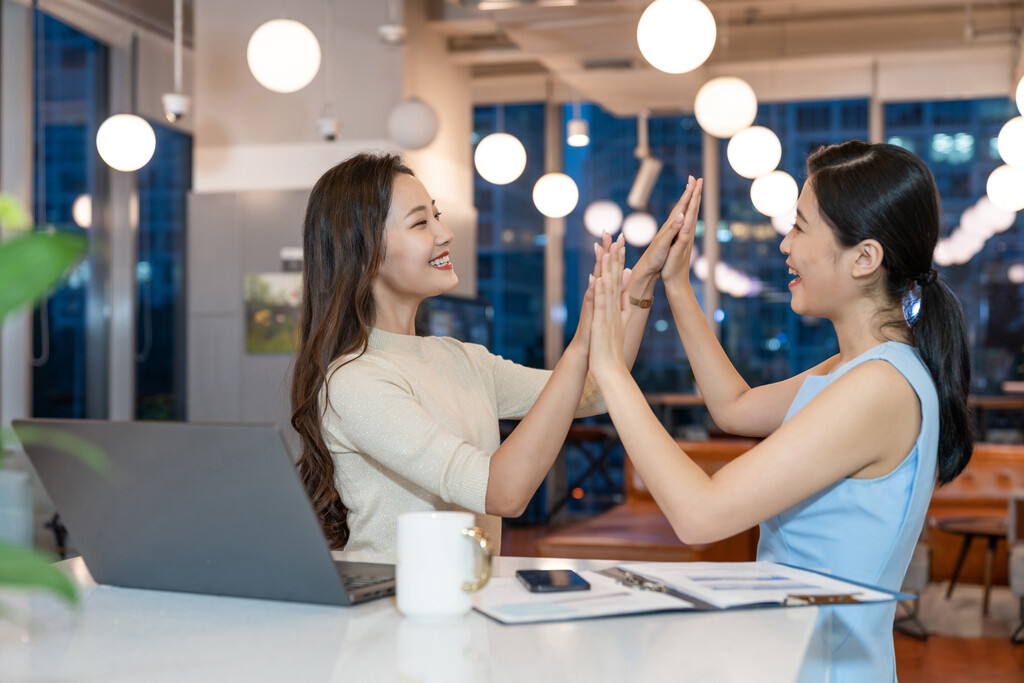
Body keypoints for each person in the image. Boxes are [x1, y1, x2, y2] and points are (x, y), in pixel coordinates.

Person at [588, 142, 972, 681]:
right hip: (798, 657)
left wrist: (609, 368)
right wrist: (675, 283)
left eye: (800, 227)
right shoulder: (861, 368)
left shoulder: (879, 386)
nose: (785, 244)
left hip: (822, 667)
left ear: (864, 258)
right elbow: (734, 406)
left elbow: (700, 514)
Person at [289, 152, 666, 557]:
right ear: (364, 253)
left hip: (465, 598)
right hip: (392, 607)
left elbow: (601, 388)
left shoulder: (461, 359)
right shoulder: (356, 381)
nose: (445, 233)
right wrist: (579, 345)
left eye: (437, 215)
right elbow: (502, 493)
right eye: (420, 223)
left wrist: (642, 286)